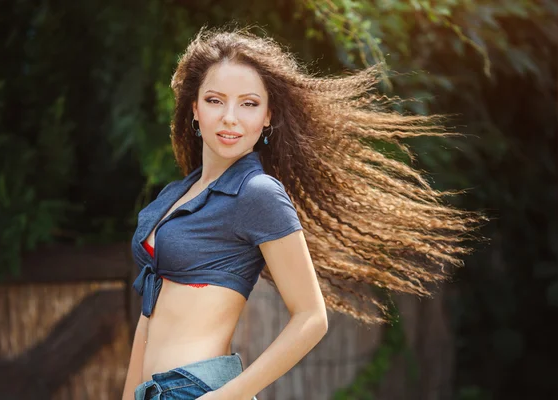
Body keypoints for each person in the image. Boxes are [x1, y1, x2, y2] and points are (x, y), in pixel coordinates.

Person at [122, 27, 485, 400]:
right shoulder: (173, 197)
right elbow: (147, 319)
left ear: (267, 117)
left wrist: (223, 397)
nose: (230, 117)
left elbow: (311, 317)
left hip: (198, 390)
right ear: (195, 109)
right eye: (215, 100)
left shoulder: (256, 194)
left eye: (249, 103)